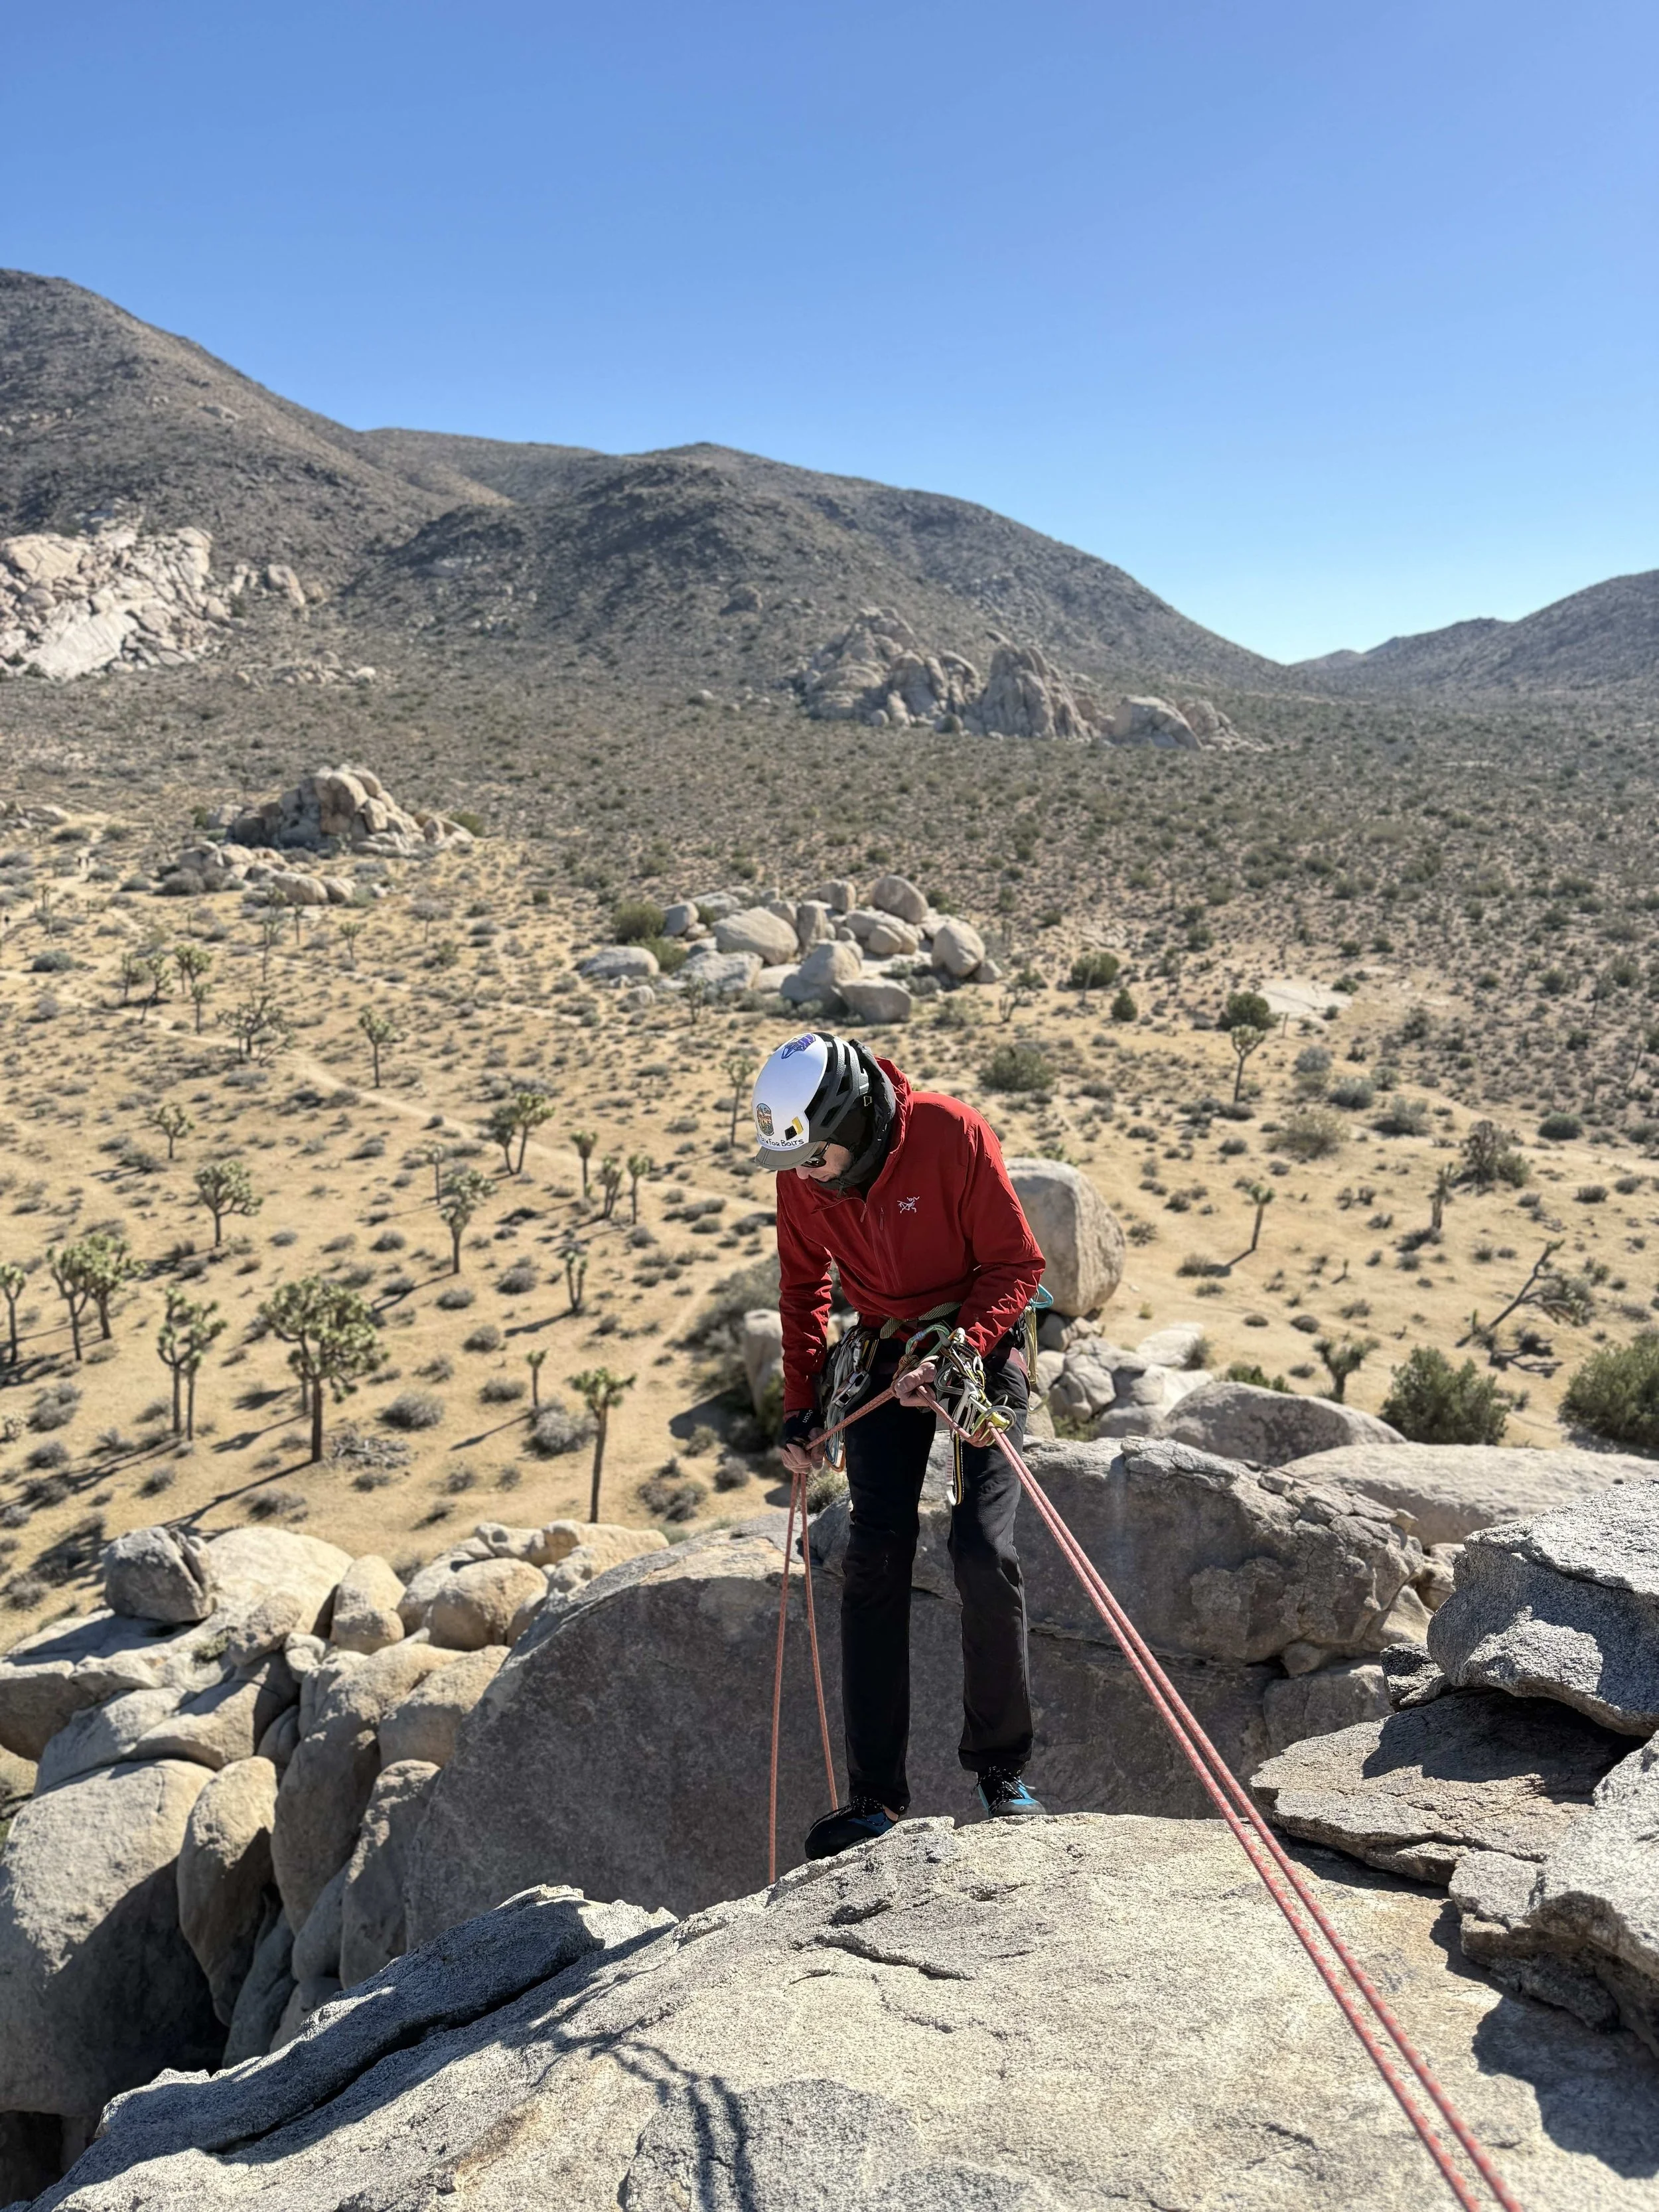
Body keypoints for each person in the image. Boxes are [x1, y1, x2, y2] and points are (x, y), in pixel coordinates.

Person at [751, 1028, 1049, 1860]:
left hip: (979, 1346)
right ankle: (877, 1799)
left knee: (981, 1547)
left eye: (814, 1158)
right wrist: (802, 1413)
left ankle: (1001, 1770)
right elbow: (803, 1287)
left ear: (857, 1120)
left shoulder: (951, 1134)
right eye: (794, 1164)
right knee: (873, 1553)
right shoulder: (805, 1176)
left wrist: (960, 1345)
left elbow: (1016, 1265)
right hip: (885, 1347)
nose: (803, 1177)